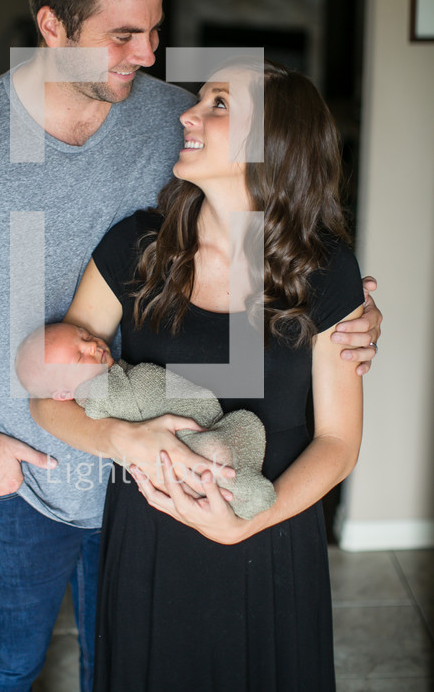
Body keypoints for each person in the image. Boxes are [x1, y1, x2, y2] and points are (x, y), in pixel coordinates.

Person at [0, 0, 381, 692]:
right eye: (121, 35)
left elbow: (271, 216)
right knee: (3, 667)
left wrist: (349, 305)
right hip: (20, 477)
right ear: (51, 24)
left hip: (150, 492)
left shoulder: (167, 122)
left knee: (127, 666)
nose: (147, 55)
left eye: (153, 30)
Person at [32, 59, 368, 690]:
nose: (188, 113)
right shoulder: (135, 247)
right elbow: (48, 397)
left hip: (271, 536)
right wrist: (122, 440)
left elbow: (339, 442)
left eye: (218, 104)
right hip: (151, 536)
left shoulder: (327, 273)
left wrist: (249, 522)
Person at [16, 322, 277, 519]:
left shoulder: (115, 372)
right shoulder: (98, 396)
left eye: (85, 336)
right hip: (185, 445)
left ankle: (237, 484)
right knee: (210, 456)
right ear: (63, 394)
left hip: (206, 426)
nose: (92, 346)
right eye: (78, 357)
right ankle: (242, 492)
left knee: (241, 426)